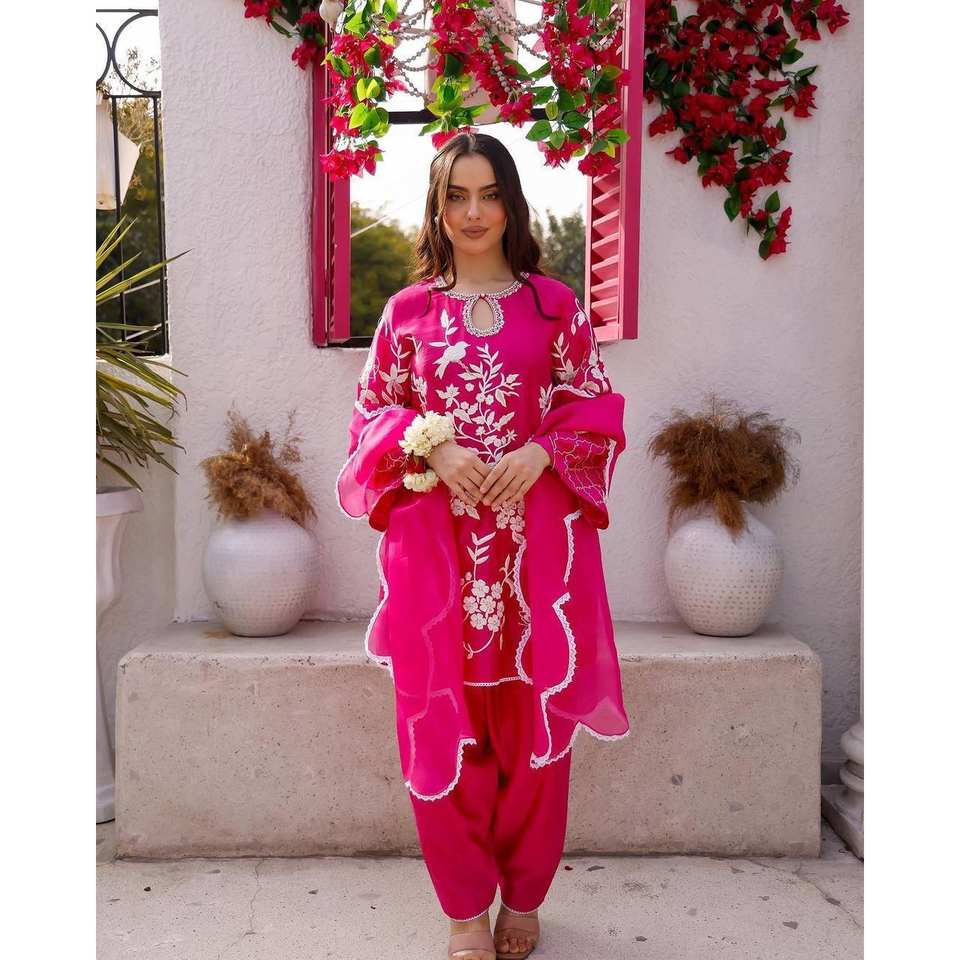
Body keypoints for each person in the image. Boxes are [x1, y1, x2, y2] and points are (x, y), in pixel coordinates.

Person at [336, 132, 630, 960]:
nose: (473, 212)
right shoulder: (407, 314)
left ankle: (525, 895)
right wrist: (433, 448)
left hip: (533, 559)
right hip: (438, 557)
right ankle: (464, 908)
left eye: (489, 194)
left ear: (511, 204)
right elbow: (369, 419)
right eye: (456, 196)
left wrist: (543, 451)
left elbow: (595, 405)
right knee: (443, 724)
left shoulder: (555, 307)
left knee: (531, 729)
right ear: (437, 208)